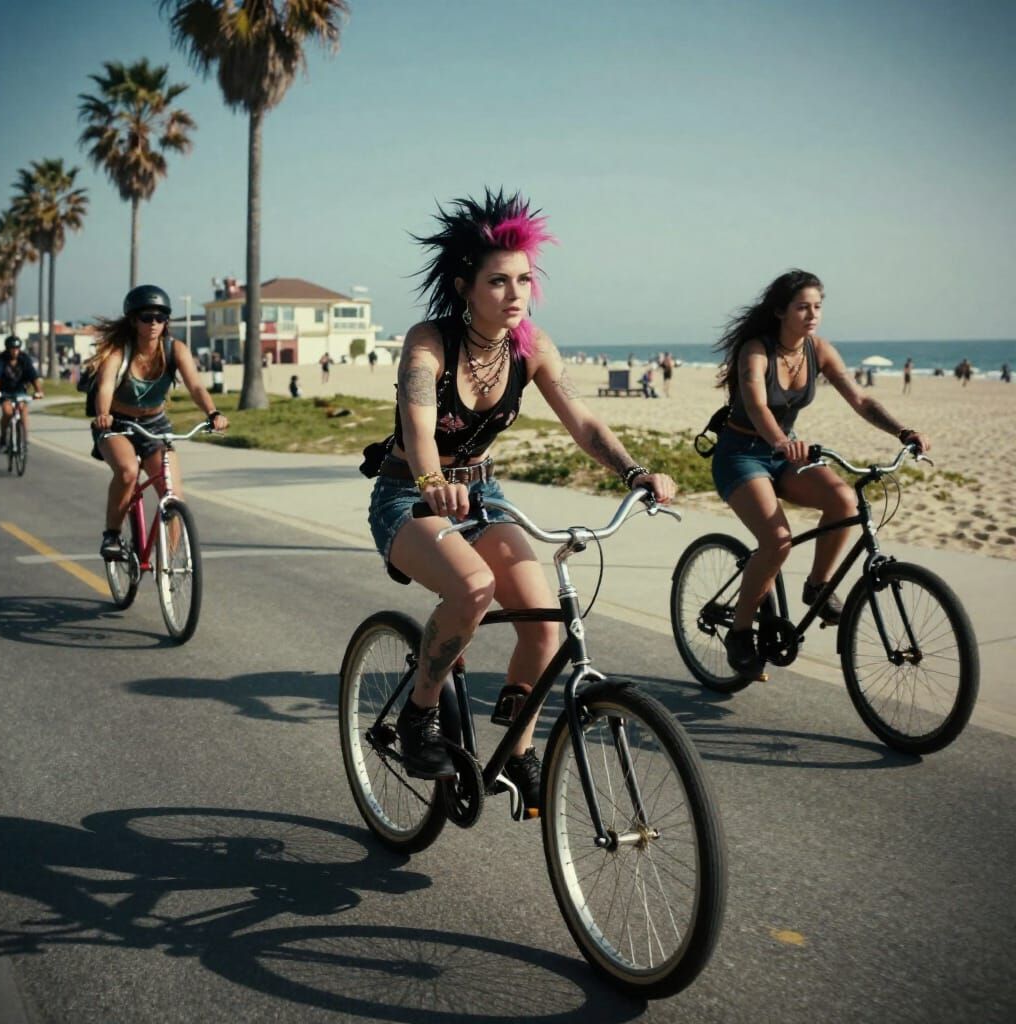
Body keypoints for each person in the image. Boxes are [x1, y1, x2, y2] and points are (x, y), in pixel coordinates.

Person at [367, 189, 676, 812]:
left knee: (542, 621)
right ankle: (418, 715)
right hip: (410, 495)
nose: (515, 294)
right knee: (474, 589)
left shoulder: (532, 347)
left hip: (483, 493)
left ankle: (517, 750)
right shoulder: (428, 344)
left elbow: (582, 422)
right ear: (465, 287)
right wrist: (434, 487)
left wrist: (633, 470)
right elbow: (420, 433)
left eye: (524, 280)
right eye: (499, 281)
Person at [709, 269, 929, 677]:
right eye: (802, 307)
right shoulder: (756, 351)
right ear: (780, 312)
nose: (812, 315)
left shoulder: (819, 350)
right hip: (741, 453)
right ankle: (739, 632)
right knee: (777, 541)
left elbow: (860, 398)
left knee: (844, 500)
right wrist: (779, 440)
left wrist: (902, 431)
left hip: (785, 453)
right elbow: (756, 405)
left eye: (818, 307)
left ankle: (818, 587)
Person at [87, 285, 229, 560]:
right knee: (128, 472)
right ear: (133, 320)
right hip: (117, 425)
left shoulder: (175, 349)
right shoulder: (119, 351)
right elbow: (105, 387)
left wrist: (213, 413)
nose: (154, 324)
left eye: (161, 318)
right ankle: (112, 536)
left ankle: (169, 566)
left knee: (173, 494)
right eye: (147, 318)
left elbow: (196, 386)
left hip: (155, 425)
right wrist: (103, 414)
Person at [0, 335, 44, 452]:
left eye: (17, 348)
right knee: (7, 411)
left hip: (20, 391)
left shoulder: (24, 359)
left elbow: (34, 377)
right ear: (7, 348)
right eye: (12, 348)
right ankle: (3, 437)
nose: (15, 351)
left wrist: (39, 391)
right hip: (4, 391)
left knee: (22, 408)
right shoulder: (1, 360)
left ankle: (24, 438)